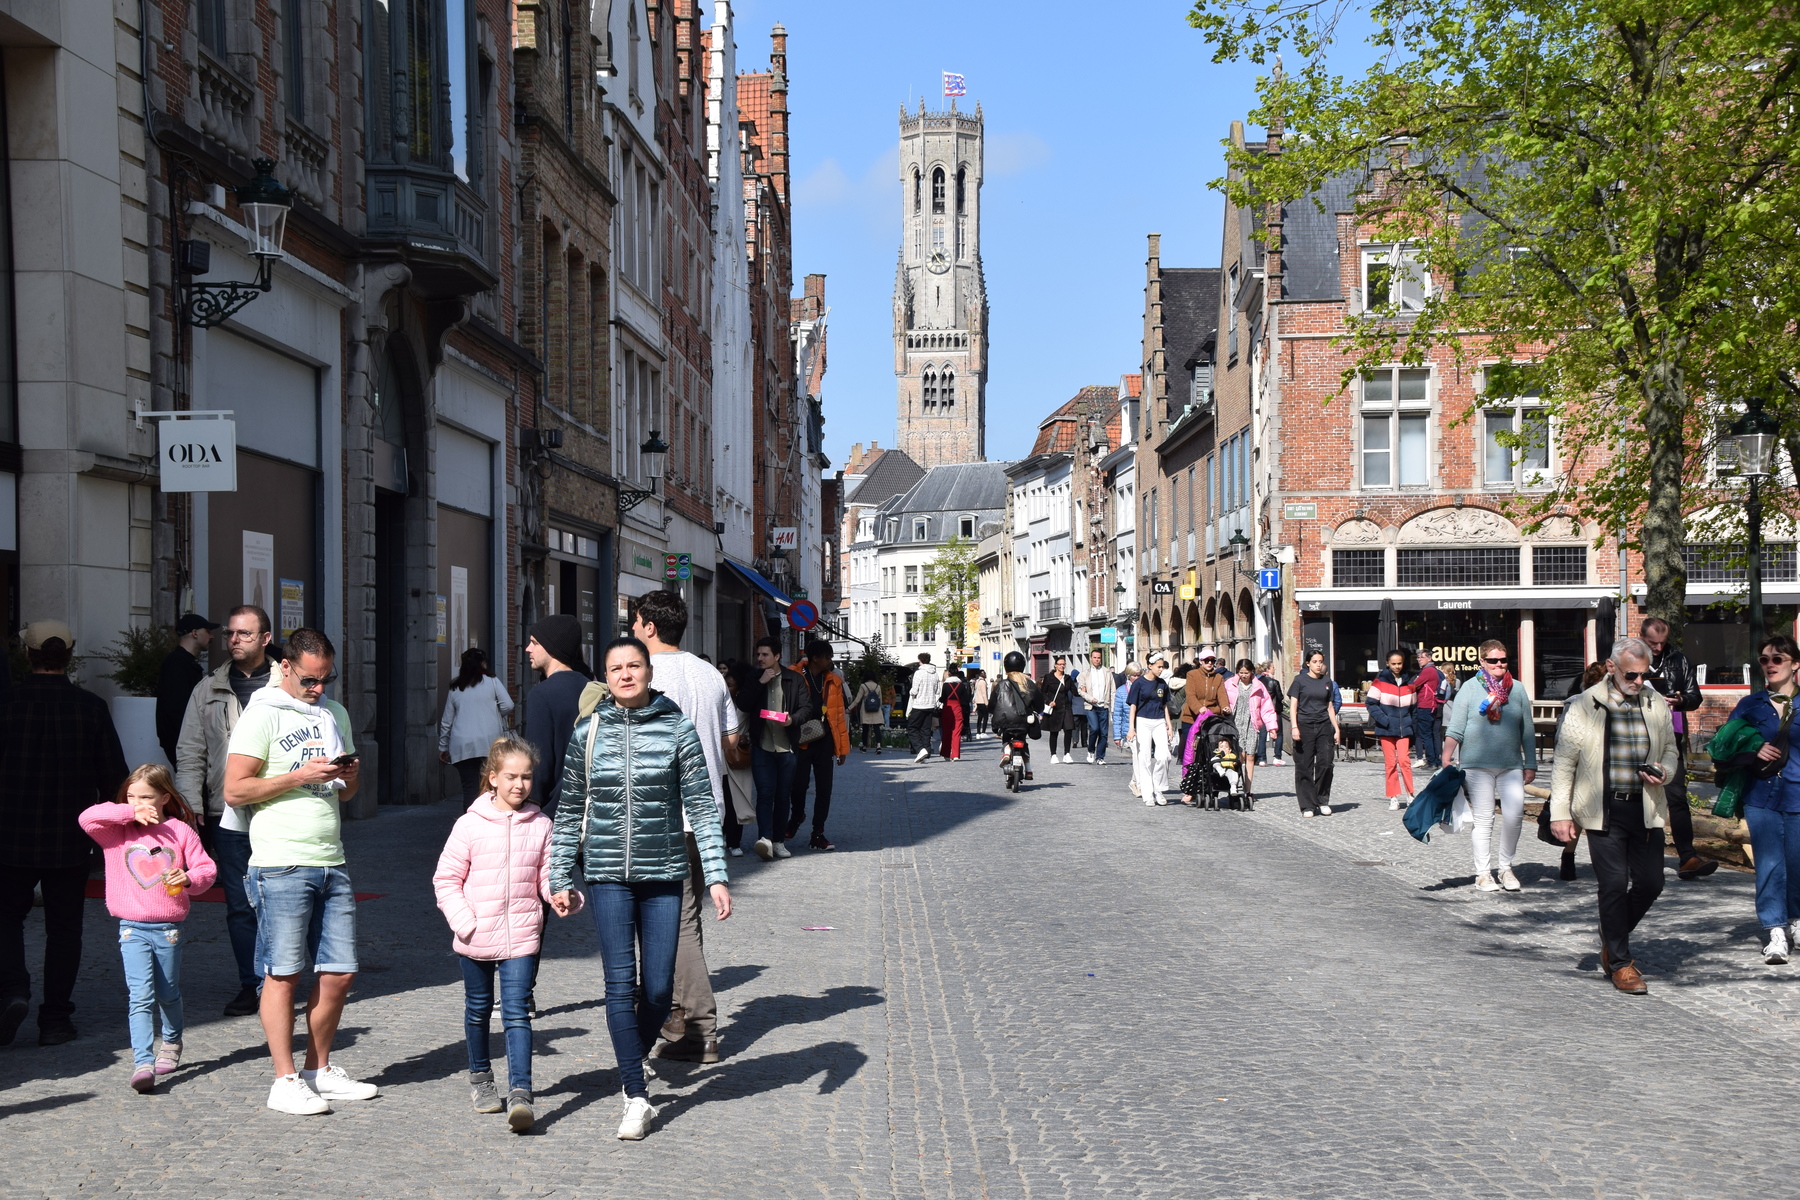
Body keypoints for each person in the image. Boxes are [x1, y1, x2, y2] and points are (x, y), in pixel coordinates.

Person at [547, 637, 731, 1142]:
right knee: (618, 985)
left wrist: (715, 874)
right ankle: (636, 1095)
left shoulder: (677, 728)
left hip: (665, 872)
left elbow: (702, 805)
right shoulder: (588, 731)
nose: (625, 675)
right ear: (605, 677)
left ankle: (633, 1053)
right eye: (615, 668)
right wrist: (559, 875)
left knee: (657, 989)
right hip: (607, 872)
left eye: (633, 666)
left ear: (649, 672)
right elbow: (569, 809)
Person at [223, 628, 376, 1115]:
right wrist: (300, 775)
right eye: (310, 679)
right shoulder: (263, 712)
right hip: (280, 861)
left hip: (332, 858)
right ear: (285, 667)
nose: (319, 688)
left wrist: (349, 776)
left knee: (340, 972)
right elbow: (235, 790)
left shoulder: (334, 714)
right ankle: (284, 1080)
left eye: (327, 678)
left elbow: (348, 796)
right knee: (283, 974)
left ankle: (317, 1070)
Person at [0, 620, 129, 1047]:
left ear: (26, 654)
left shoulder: (6, 703)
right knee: (65, 927)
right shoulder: (90, 707)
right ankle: (55, 1018)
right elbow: (115, 779)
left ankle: (12, 990)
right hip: (70, 838)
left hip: (10, 834)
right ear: (69, 656)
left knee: (6, 918)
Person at [631, 590, 740, 1062]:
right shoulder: (709, 673)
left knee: (676, 922)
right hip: (707, 812)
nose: (633, 630)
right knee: (682, 919)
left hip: (665, 815)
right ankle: (676, 1017)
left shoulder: (643, 675)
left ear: (650, 627)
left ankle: (700, 1027)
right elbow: (732, 740)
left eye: (636, 623)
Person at [433, 736, 559, 1132]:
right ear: (492, 778)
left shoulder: (541, 825)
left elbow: (547, 877)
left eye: (526, 777)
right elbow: (446, 880)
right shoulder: (469, 825)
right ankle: (481, 1078)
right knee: (478, 1009)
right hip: (476, 936)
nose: (519, 785)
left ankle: (521, 1092)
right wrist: (465, 922)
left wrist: (560, 895)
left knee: (517, 1011)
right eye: (511, 777)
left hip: (521, 935)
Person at [78, 764, 216, 1092]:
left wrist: (189, 878)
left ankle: (172, 1041)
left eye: (146, 797)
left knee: (168, 993)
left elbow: (206, 869)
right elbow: (87, 817)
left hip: (169, 927)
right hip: (132, 927)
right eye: (131, 796)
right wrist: (129, 812)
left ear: (165, 798)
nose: (138, 803)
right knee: (140, 996)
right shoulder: (117, 832)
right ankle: (143, 1062)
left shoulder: (180, 831)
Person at [1550, 637, 1677, 995]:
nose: (1638, 681)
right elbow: (1564, 763)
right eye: (1631, 675)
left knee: (1652, 883)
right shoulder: (1585, 704)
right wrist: (1560, 813)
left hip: (1646, 807)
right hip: (1602, 809)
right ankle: (1621, 963)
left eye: (1644, 674)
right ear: (1611, 667)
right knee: (1613, 885)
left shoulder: (1654, 702)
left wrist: (1664, 771)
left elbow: (1670, 749)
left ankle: (1612, 932)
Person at [174, 604, 274, 1017]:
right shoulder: (207, 689)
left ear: (265, 639)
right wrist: (190, 806)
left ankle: (280, 980)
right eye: (231, 633)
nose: (234, 640)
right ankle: (251, 984)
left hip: (278, 809)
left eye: (244, 633)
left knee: (280, 900)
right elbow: (190, 752)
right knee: (239, 903)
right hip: (226, 811)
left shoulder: (286, 686)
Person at [1718, 634, 1800, 964]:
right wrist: (1753, 748)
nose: (1769, 665)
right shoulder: (1750, 705)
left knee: (1797, 863)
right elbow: (1723, 745)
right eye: (1764, 659)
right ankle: (1775, 930)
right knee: (1769, 864)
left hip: (1797, 795)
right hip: (1760, 795)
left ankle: (1796, 920)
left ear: (1795, 664)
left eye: (1777, 659)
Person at [1444, 639, 1538, 892]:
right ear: (1482, 661)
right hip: (1477, 764)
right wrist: (1446, 756)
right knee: (1485, 819)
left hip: (1511, 764)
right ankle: (1483, 874)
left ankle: (1506, 868)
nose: (1499, 664)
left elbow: (1527, 729)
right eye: (1493, 660)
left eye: (1503, 660)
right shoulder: (1469, 689)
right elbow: (1456, 727)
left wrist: (1531, 763)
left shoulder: (1517, 689)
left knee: (1514, 816)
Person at [1641, 617, 1716, 880]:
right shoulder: (1633, 657)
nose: (1658, 647)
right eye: (1653, 643)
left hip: (1671, 736)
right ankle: (1643, 856)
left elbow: (1695, 697)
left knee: (1677, 797)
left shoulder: (1679, 660)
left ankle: (1688, 857)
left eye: (1662, 643)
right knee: (1640, 798)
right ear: (1642, 638)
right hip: (1638, 735)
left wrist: (1680, 699)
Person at [747, 636, 816, 860]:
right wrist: (760, 682)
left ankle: (778, 841)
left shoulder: (794, 679)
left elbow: (807, 708)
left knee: (783, 795)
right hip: (762, 745)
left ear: (777, 656)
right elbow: (743, 703)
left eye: (765, 654)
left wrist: (792, 719)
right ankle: (765, 839)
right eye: (758, 654)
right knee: (765, 793)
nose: (760, 658)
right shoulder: (755, 677)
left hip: (787, 747)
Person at [523, 614, 592, 818]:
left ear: (551, 647)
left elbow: (539, 762)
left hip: (555, 810)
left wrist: (531, 805)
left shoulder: (541, 694)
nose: (528, 648)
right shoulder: (591, 688)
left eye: (535, 642)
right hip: (590, 806)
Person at [789, 640, 850, 849]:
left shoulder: (833, 680)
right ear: (815, 658)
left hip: (825, 739)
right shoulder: (795, 675)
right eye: (827, 657)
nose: (830, 661)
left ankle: (818, 832)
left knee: (825, 788)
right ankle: (797, 816)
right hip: (801, 740)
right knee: (798, 785)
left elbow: (839, 716)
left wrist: (842, 749)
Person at [438, 647, 516, 807]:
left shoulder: (456, 687)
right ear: (482, 663)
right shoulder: (492, 681)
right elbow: (508, 705)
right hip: (489, 743)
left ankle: (470, 819)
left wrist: (443, 747)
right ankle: (488, 818)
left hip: (462, 745)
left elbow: (447, 721)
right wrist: (495, 713)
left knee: (470, 788)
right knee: (489, 787)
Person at [1554, 662, 1609, 881]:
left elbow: (1560, 738)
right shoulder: (1577, 703)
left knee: (1582, 811)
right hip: (1586, 766)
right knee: (1582, 811)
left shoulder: (1576, 701)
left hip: (1592, 765)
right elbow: (1563, 739)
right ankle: (1571, 857)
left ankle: (1569, 856)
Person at [156, 614, 217, 763]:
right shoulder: (176, 663)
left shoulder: (183, 662)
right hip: (183, 741)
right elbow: (176, 708)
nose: (212, 636)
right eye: (208, 631)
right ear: (195, 633)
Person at [1288, 650, 1342, 817]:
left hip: (1324, 725)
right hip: (1304, 725)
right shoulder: (1299, 681)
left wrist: (1336, 729)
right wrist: (1294, 727)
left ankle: (1322, 800)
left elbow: (1330, 707)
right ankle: (1308, 805)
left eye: (1320, 661)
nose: (1318, 665)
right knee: (1304, 766)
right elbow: (1293, 706)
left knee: (1326, 763)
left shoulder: (1327, 681)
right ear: (1308, 663)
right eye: (1315, 661)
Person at [1366, 649, 1419, 811]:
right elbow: (1370, 703)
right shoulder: (1379, 682)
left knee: (1404, 761)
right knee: (1390, 763)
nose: (1397, 666)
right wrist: (1384, 720)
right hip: (1386, 729)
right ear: (1388, 664)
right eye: (1394, 663)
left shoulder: (1410, 683)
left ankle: (1410, 794)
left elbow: (1414, 708)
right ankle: (1393, 797)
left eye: (1399, 663)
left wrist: (1412, 726)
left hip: (1404, 729)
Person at [1223, 659, 1277, 796]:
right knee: (1239, 756)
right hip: (1235, 724)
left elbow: (1267, 708)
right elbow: (1222, 700)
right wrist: (1224, 710)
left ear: (1252, 671)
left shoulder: (1258, 686)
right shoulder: (1230, 684)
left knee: (1251, 756)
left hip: (1252, 724)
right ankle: (1234, 785)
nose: (1243, 675)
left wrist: (1271, 727)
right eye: (1241, 673)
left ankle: (1248, 790)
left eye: (1246, 673)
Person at [1128, 657, 1177, 806]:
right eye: (1159, 667)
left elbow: (1165, 706)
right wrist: (1131, 728)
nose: (1161, 669)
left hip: (1159, 721)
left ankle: (1158, 789)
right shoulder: (1139, 683)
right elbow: (1133, 706)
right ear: (1150, 666)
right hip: (1143, 720)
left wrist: (1169, 726)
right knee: (1144, 758)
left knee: (1164, 756)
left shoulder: (1162, 684)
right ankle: (1148, 793)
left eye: (1162, 667)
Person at [988, 651, 1043, 780]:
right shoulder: (1029, 684)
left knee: (1006, 737)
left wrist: (993, 712)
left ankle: (1007, 751)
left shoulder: (1000, 685)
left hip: (1005, 720)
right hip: (1024, 721)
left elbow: (992, 705)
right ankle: (1028, 769)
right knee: (1023, 741)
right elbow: (1039, 705)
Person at [1179, 649, 1228, 749]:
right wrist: (1199, 708)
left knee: (1209, 747)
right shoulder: (1192, 675)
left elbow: (1222, 694)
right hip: (1191, 718)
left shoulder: (1218, 677)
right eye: (1206, 660)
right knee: (1192, 747)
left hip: (1210, 717)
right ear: (1201, 661)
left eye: (1212, 660)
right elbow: (1190, 695)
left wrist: (1225, 706)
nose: (1210, 663)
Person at [1411, 647, 1445, 770]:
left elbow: (1413, 685)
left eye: (1422, 657)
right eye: (1418, 657)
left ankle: (1432, 762)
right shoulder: (1434, 670)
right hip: (1432, 705)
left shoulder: (1427, 670)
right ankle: (1436, 760)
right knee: (1431, 734)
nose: (1419, 659)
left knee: (1426, 735)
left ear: (1429, 658)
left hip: (1425, 705)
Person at [1080, 650, 1116, 764]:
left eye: (1099, 658)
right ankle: (1091, 750)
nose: (1097, 660)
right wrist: (1090, 698)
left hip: (1103, 706)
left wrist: (1112, 707)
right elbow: (1080, 690)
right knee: (1094, 729)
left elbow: (1113, 691)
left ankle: (1100, 757)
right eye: (1095, 657)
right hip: (1091, 706)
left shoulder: (1107, 672)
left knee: (1104, 733)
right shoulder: (1085, 674)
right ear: (1091, 658)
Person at [906, 653, 942, 763]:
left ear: (920, 660)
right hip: (930, 704)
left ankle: (920, 749)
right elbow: (937, 690)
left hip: (919, 704)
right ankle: (926, 752)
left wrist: (911, 693)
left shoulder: (919, 673)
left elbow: (914, 690)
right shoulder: (935, 673)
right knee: (926, 730)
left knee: (912, 728)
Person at [1255, 661, 1287, 766]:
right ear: (1268, 669)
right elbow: (1280, 697)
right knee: (1279, 733)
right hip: (1274, 710)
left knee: (1262, 735)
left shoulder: (1257, 681)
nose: (1275, 669)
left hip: (1261, 711)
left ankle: (1262, 759)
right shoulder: (1274, 682)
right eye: (1273, 667)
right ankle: (1277, 757)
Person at [939, 665, 967, 762]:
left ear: (949, 673)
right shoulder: (961, 685)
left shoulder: (946, 685)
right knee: (956, 732)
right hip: (958, 708)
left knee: (946, 731)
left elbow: (942, 698)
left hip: (947, 709)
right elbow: (965, 700)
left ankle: (946, 753)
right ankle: (955, 754)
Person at [853, 673, 886, 751]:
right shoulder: (878, 686)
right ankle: (878, 746)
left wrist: (849, 708)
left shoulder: (863, 686)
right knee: (876, 728)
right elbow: (880, 701)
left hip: (866, 709)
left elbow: (858, 699)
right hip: (876, 710)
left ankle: (864, 746)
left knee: (865, 728)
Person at [972, 669, 992, 737]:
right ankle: (983, 732)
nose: (985, 674)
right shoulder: (983, 682)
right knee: (985, 717)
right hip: (983, 701)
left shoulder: (977, 681)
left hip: (978, 701)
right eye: (984, 673)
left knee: (979, 717)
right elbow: (984, 693)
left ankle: (978, 732)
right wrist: (987, 703)